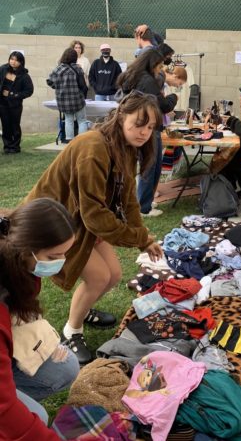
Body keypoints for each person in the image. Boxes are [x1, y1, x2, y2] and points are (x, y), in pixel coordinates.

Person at [24, 94, 164, 364]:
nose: (144, 132)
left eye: (150, 127)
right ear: (121, 117)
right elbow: (95, 216)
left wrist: (144, 239)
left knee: (114, 274)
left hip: (79, 221)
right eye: (139, 124)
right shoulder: (94, 147)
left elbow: (129, 201)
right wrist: (138, 237)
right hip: (55, 222)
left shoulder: (124, 146)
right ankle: (71, 330)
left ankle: (84, 307)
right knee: (99, 277)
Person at [0, 198, 79, 439]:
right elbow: (4, 410)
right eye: (53, 256)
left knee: (66, 366)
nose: (60, 263)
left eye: (64, 254)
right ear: (26, 249)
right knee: (36, 417)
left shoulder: (14, 254)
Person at [117, 50, 178, 217]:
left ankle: (145, 201)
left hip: (140, 125)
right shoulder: (147, 80)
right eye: (159, 65)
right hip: (147, 127)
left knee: (150, 165)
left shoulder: (134, 75)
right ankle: (143, 207)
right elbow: (163, 105)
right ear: (152, 64)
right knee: (150, 166)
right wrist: (173, 97)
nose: (160, 69)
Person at [47, 48, 88, 143]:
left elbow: (49, 81)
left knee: (68, 120)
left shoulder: (58, 68)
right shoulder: (78, 68)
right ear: (75, 57)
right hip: (77, 100)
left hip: (63, 100)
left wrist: (57, 87)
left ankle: (69, 141)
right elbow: (83, 85)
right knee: (82, 120)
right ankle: (82, 142)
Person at [0, 51, 34, 154]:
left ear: (21, 62)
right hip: (2, 103)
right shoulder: (3, 69)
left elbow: (29, 91)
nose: (13, 62)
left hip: (15, 104)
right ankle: (7, 147)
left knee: (15, 125)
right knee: (5, 125)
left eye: (16, 60)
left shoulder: (24, 75)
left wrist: (14, 95)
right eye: (11, 59)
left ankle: (15, 147)